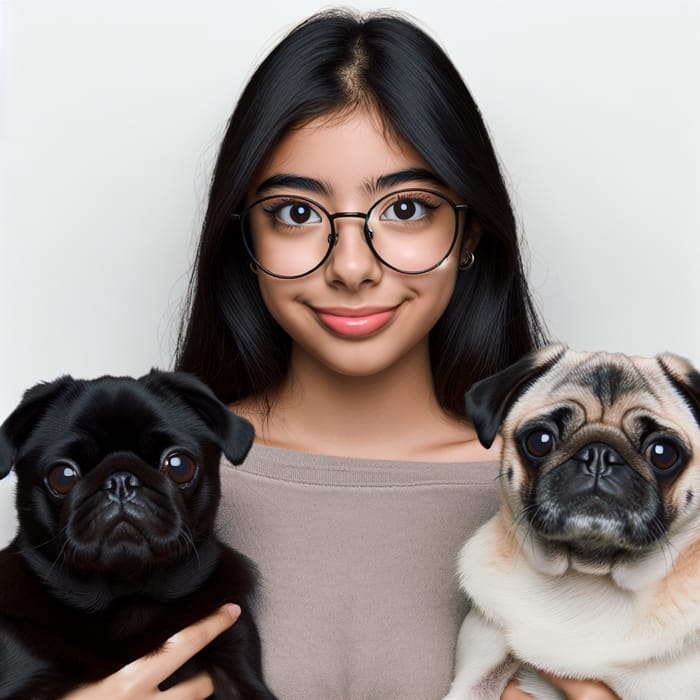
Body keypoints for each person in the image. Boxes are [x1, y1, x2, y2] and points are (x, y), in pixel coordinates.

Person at [64, 9, 620, 700]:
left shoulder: (594, 505)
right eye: (296, 213)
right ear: (246, 238)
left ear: (470, 230)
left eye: (407, 208)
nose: (352, 266)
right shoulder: (120, 498)